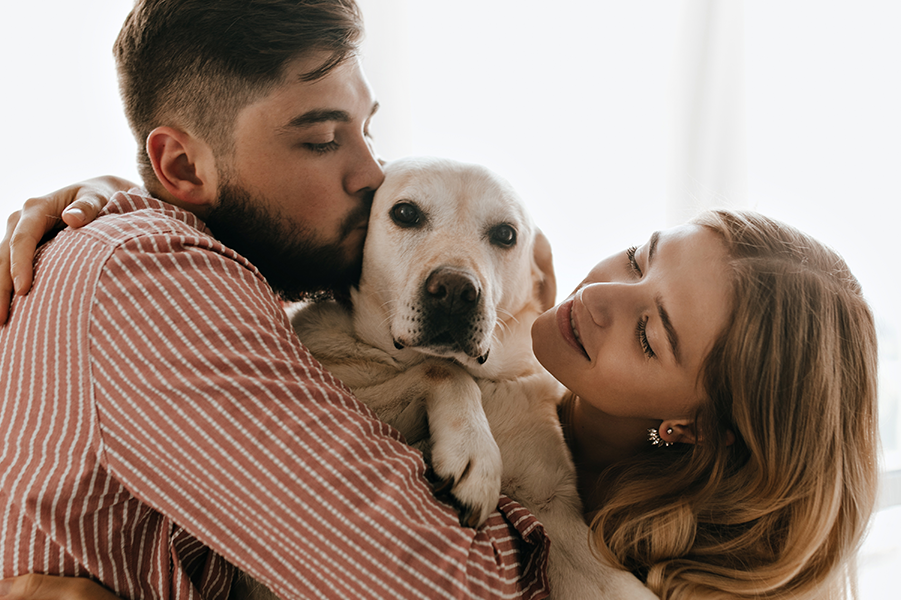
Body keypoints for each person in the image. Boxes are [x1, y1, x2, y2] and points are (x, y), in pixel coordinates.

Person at [3, 191, 880, 599]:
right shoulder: (498, 346)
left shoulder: (565, 567)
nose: (603, 296)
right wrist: (121, 209)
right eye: (642, 255)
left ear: (690, 428)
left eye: (651, 332)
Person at [0, 1, 551, 599]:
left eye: (367, 131)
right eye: (321, 140)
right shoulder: (157, 282)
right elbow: (455, 587)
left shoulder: (139, 251)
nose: (372, 174)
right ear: (183, 166)